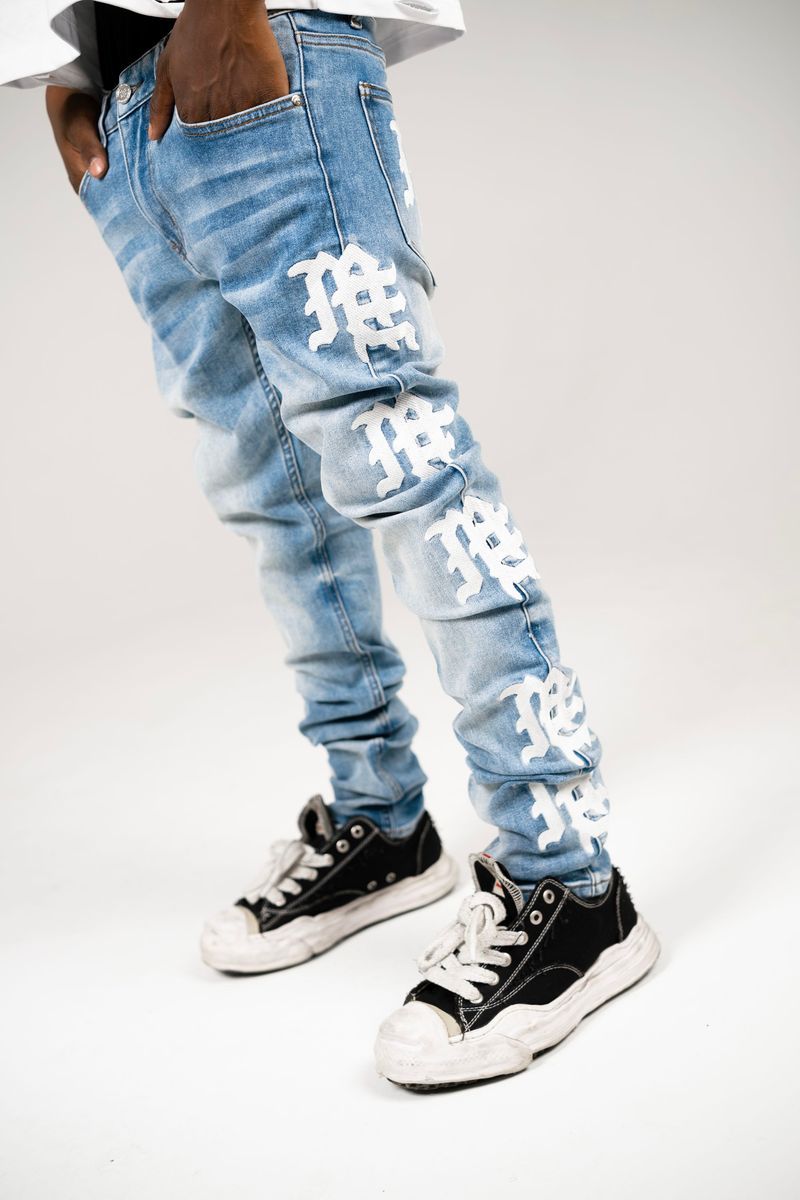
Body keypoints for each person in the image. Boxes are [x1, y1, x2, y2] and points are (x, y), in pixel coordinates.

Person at [3, 0, 659, 1089]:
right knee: (271, 490)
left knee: (399, 456)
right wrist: (65, 81)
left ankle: (573, 883)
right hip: (123, 108)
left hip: (251, 39)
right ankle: (381, 821)